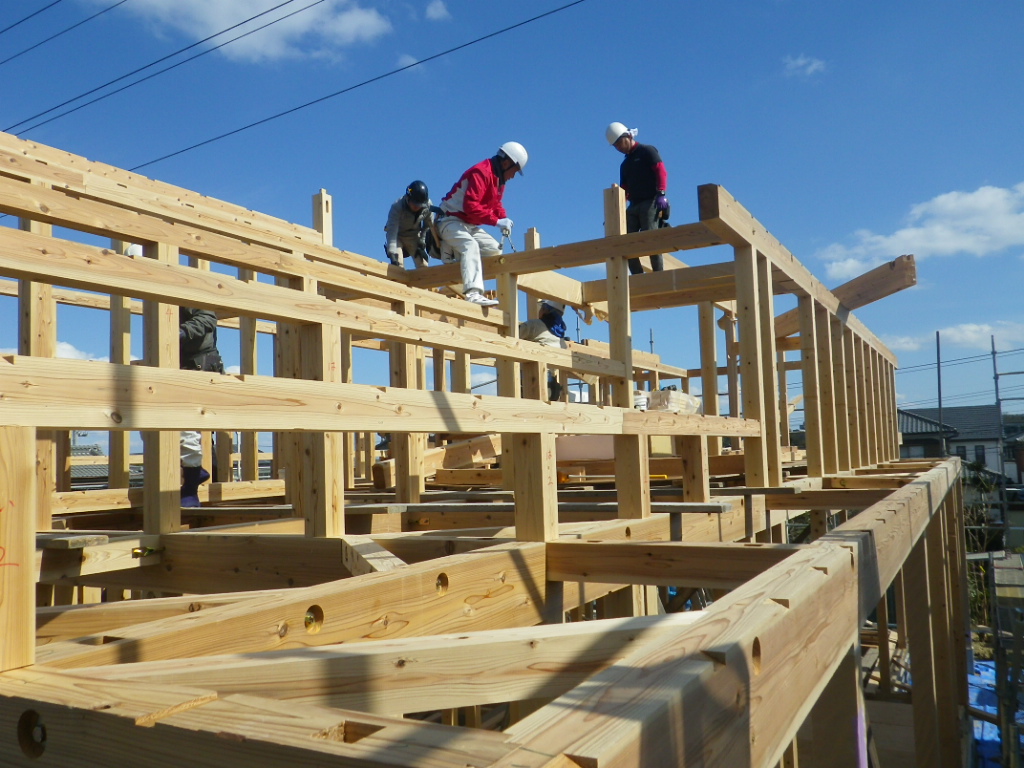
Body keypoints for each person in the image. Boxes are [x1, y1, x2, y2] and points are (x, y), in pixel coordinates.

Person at [436, 141, 528, 306]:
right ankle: (473, 293)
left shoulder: (499, 181)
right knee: (470, 246)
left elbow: (496, 205)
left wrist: (504, 219)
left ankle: (455, 259)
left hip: (468, 225)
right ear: (507, 163)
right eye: (515, 171)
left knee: (494, 251)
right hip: (449, 220)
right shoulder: (482, 172)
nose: (514, 175)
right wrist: (496, 221)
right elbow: (470, 207)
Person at [606, 121, 670, 275]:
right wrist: (614, 215)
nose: (619, 147)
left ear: (628, 136)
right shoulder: (625, 165)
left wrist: (661, 193)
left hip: (651, 201)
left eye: (620, 143)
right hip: (634, 204)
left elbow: (661, 171)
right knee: (625, 241)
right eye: (615, 146)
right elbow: (625, 190)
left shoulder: (647, 151)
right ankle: (638, 276)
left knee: (650, 238)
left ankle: (658, 275)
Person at [178, 306, 224, 507]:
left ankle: (191, 487)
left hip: (200, 367)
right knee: (180, 429)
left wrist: (180, 332)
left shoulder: (188, 289)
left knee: (189, 428)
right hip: (182, 366)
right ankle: (195, 475)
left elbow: (208, 317)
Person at [519, 299, 567, 401]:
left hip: (531, 383)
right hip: (551, 387)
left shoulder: (534, 325)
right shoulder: (561, 338)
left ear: (546, 310)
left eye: (541, 308)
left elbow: (512, 334)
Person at [384, 180, 437, 269]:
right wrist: (392, 252)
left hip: (414, 236)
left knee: (423, 265)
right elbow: (392, 230)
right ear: (408, 198)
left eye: (419, 205)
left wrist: (422, 241)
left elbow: (428, 225)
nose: (417, 207)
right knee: (398, 266)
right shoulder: (397, 206)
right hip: (397, 236)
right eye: (414, 204)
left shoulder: (427, 205)